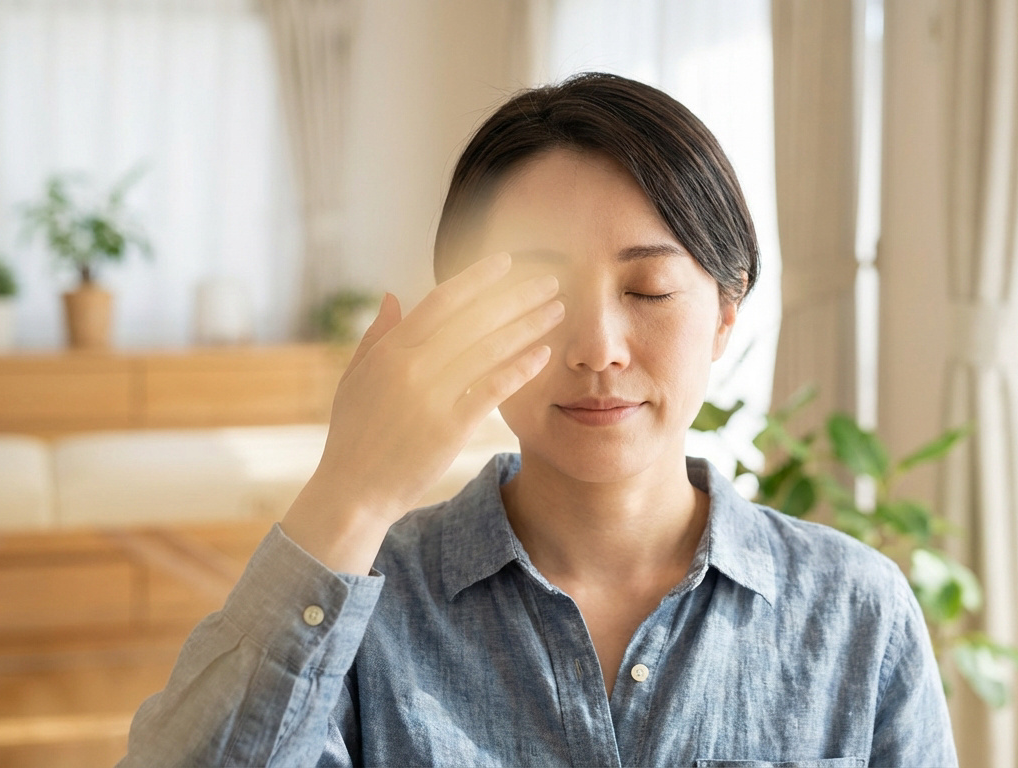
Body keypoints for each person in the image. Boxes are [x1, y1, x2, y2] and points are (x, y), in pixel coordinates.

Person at [119, 72, 957, 767]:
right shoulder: (365, 609)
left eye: (649, 292)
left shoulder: (854, 613)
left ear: (726, 317)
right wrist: (351, 491)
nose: (597, 348)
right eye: (540, 293)